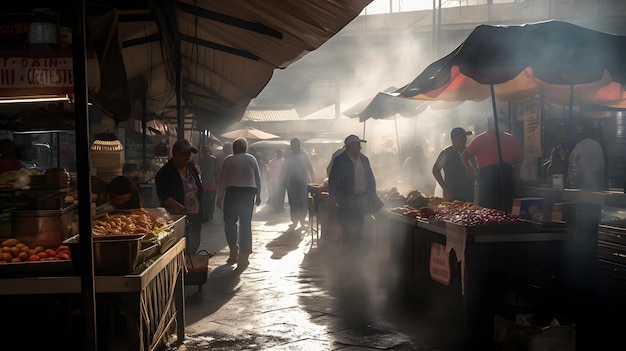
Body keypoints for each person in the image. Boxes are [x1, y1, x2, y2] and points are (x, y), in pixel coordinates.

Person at [328, 134, 377, 256]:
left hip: (361, 199)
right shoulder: (340, 160)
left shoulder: (364, 159)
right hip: (346, 200)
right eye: (357, 145)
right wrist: (333, 196)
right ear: (349, 147)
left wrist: (372, 195)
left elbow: (370, 178)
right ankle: (348, 253)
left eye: (360, 145)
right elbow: (333, 179)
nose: (360, 148)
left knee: (359, 226)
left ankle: (357, 252)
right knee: (347, 227)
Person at [461, 117, 524, 213]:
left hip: (506, 176)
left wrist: (517, 172)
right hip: (487, 178)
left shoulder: (511, 139)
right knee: (487, 208)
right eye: (494, 124)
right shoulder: (479, 139)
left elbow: (519, 158)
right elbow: (464, 155)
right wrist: (467, 167)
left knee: (508, 207)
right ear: (489, 125)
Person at [217, 137, 262, 268]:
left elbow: (223, 180)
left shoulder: (229, 160)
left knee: (230, 222)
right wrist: (258, 194)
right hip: (249, 192)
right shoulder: (252, 159)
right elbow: (257, 178)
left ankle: (233, 250)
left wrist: (219, 197)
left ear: (235, 148)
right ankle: (244, 255)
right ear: (245, 148)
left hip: (232, 193)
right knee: (245, 224)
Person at [155, 139, 203, 255]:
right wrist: (176, 206)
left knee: (195, 243)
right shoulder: (166, 172)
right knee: (180, 246)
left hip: (195, 215)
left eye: (189, 154)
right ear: (174, 153)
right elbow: (162, 193)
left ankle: (191, 264)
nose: (187, 157)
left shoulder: (191, 168)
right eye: (184, 154)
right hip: (176, 217)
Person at [432, 127, 475, 202]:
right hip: (453, 193)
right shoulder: (446, 153)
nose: (465, 139)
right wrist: (445, 188)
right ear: (454, 139)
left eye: (465, 137)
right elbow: (435, 170)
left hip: (470, 191)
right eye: (462, 137)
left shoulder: (469, 151)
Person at [282, 138, 314, 228]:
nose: (293, 147)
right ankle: (295, 220)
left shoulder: (305, 155)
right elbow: (285, 169)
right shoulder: (288, 156)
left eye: (295, 145)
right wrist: (284, 181)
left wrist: (313, 180)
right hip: (291, 183)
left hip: (303, 182)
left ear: (299, 145)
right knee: (293, 202)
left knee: (303, 202)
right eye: (292, 145)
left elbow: (310, 168)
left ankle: (302, 219)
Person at [569, 124, 605, 190]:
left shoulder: (580, 145)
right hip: (596, 181)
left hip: (583, 181)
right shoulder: (597, 145)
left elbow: (572, 159)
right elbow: (601, 164)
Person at [198, 145, 217, 222]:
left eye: (207, 151)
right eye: (204, 152)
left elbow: (216, 172)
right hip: (204, 182)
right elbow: (199, 171)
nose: (205, 153)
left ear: (210, 152)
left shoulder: (214, 160)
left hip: (212, 182)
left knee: (211, 200)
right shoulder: (201, 161)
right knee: (204, 200)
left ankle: (210, 214)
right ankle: (205, 214)